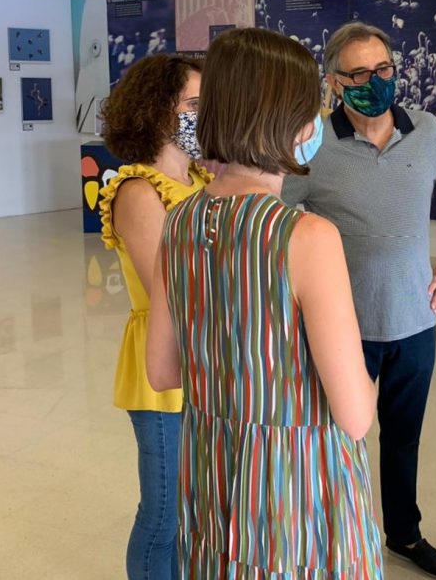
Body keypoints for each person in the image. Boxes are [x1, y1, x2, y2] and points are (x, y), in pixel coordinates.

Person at [147, 28, 383, 578]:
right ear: (295, 122)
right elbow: (353, 417)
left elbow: (161, 371)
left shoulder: (179, 220)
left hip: (214, 477)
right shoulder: (306, 236)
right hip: (296, 493)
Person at [283, 22, 436, 579]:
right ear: (334, 81)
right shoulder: (313, 142)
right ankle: (332, 536)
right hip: (342, 326)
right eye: (359, 73)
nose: (375, 82)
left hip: (415, 319)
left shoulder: (429, 131)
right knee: (337, 437)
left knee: (403, 436)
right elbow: (280, 220)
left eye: (384, 70)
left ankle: (404, 535)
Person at [98, 54, 212, 580]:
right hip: (165, 364)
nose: (203, 113)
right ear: (157, 111)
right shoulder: (139, 192)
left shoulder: (201, 176)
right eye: (193, 104)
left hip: (211, 356)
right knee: (165, 509)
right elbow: (170, 294)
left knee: (198, 508)